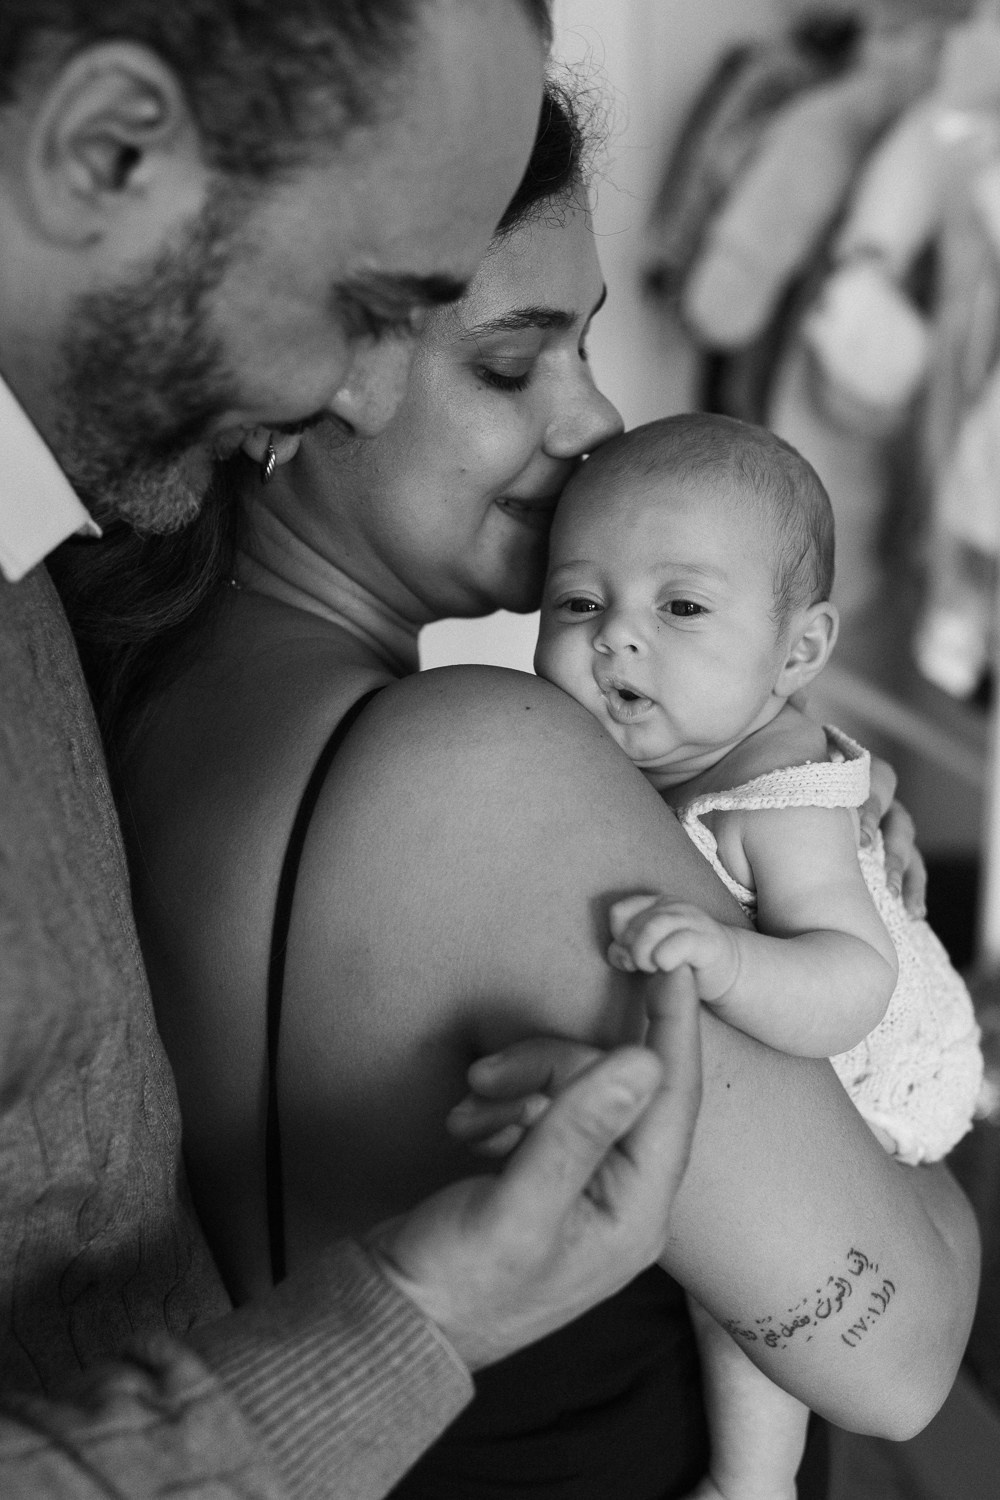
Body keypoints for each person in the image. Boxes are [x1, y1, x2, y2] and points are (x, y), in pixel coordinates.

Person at [54, 74, 979, 1500]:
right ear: (288, 369)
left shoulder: (139, 692)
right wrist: (908, 1030)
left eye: (588, 344)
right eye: (509, 364)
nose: (593, 417)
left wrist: (763, 820)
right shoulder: (476, 766)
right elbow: (901, 1354)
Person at [0, 6, 713, 1497]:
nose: (363, 401)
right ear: (102, 151)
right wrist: (413, 1325)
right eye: (372, 301)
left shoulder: (44, 587)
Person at [531, 410, 985, 1500]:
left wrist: (727, 963)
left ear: (796, 654)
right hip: (817, 1047)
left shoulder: (776, 797)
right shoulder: (689, 739)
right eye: (578, 603)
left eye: (680, 607)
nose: (616, 638)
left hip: (879, 1068)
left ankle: (753, 1485)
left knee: (742, 1282)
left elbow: (849, 982)